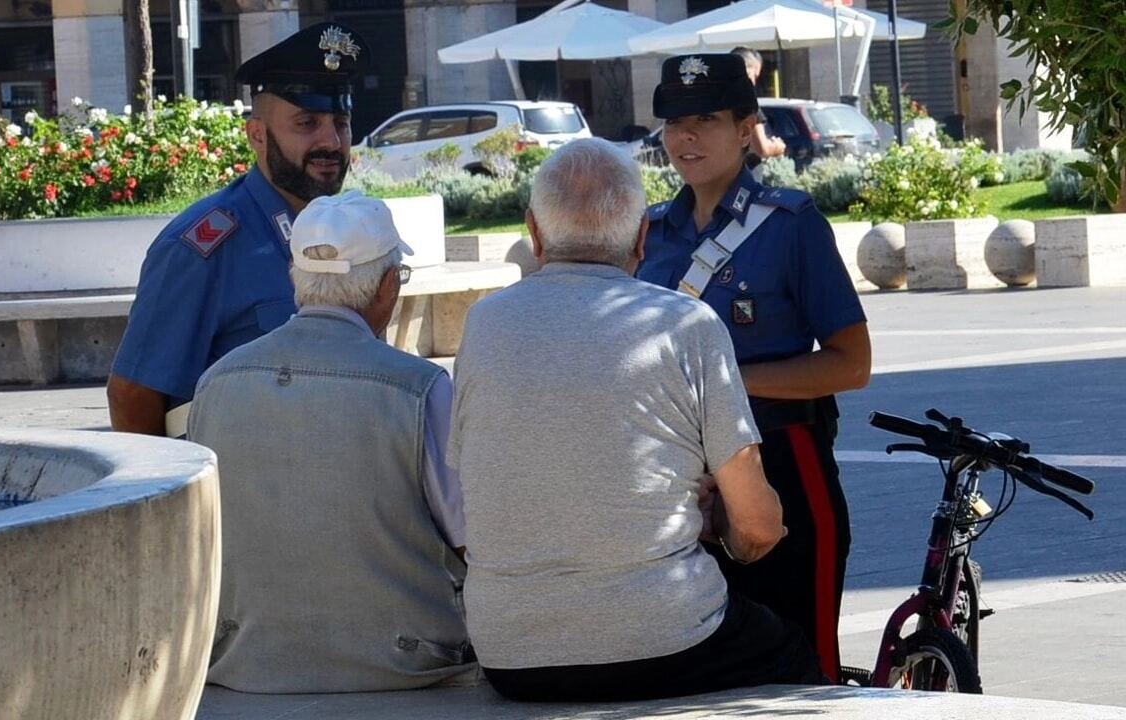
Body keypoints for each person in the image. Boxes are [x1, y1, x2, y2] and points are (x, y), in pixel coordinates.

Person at [449, 137, 826, 702]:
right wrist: (722, 529)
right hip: (663, 638)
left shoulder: (483, 325)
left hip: (510, 650)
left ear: (533, 230)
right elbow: (757, 526)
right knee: (795, 659)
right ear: (642, 237)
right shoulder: (684, 324)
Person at [637, 53, 872, 684]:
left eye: (706, 119)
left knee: (802, 667)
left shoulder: (792, 226)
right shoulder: (648, 234)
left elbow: (852, 365)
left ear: (747, 129)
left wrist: (726, 388)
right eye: (674, 121)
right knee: (699, 672)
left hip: (784, 461)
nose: (685, 136)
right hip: (679, 481)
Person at [189, 190, 478, 693]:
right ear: (388, 285)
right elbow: (471, 536)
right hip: (404, 662)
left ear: (296, 278)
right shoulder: (421, 388)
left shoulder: (217, 381)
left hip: (246, 663)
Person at [107, 22, 368, 437]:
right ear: (257, 134)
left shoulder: (351, 231)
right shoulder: (201, 247)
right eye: (306, 124)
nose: (332, 142)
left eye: (341, 121)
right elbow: (133, 392)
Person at [730, 47, 786, 170]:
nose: (754, 82)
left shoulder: (714, 103)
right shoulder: (747, 104)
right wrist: (777, 146)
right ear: (747, 70)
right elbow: (761, 148)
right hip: (744, 174)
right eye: (755, 75)